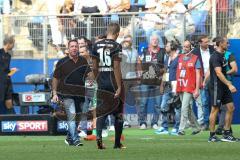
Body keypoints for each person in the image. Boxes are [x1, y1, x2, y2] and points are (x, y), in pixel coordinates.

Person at [92, 23, 126, 149]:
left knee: (102, 112)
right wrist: (119, 86)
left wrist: (96, 80)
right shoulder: (117, 46)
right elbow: (116, 67)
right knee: (118, 113)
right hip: (113, 82)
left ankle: (99, 139)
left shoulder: (96, 45)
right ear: (117, 33)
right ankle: (117, 143)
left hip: (101, 82)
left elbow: (94, 67)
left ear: (107, 31)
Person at [52, 39, 90, 146]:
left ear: (78, 48)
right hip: (67, 95)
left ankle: (69, 138)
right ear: (68, 49)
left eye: (76, 46)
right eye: (72, 46)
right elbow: (55, 78)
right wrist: (54, 93)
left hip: (80, 94)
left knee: (77, 117)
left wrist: (93, 81)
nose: (74, 48)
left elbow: (89, 75)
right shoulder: (62, 62)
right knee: (72, 116)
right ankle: (75, 139)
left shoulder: (83, 61)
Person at [207, 37, 238, 142]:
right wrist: (229, 85)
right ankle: (212, 135)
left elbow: (226, 72)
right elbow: (219, 73)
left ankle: (226, 133)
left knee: (231, 107)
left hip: (224, 86)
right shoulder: (215, 57)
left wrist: (227, 85)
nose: (228, 44)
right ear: (220, 43)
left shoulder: (223, 56)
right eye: (226, 43)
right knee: (215, 109)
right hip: (216, 86)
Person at [137, 34, 165, 130]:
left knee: (157, 104)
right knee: (143, 103)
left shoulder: (162, 51)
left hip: (157, 81)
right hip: (145, 81)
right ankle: (142, 122)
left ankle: (154, 123)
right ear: (150, 41)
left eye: (156, 40)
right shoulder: (144, 51)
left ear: (158, 41)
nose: (155, 41)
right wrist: (139, 71)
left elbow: (165, 66)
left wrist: (161, 72)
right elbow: (139, 61)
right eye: (153, 39)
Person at [155, 41, 181, 135]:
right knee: (163, 106)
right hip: (168, 85)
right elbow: (166, 72)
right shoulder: (167, 58)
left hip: (176, 84)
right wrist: (162, 84)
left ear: (172, 47)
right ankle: (164, 127)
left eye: (167, 46)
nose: (165, 47)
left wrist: (179, 85)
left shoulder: (179, 58)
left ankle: (176, 128)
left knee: (177, 108)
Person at [176, 40, 201, 136]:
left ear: (191, 48)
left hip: (190, 87)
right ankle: (197, 127)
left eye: (187, 47)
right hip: (181, 86)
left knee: (184, 107)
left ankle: (181, 129)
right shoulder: (180, 57)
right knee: (188, 108)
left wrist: (197, 89)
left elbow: (198, 75)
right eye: (184, 46)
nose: (185, 48)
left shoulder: (195, 58)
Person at [192, 35, 215, 130]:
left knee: (215, 101)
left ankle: (216, 122)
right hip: (202, 78)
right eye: (205, 42)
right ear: (200, 43)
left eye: (208, 41)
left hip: (214, 77)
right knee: (204, 102)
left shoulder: (213, 49)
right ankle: (206, 123)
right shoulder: (195, 52)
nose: (207, 43)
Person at [0, 35, 16, 114]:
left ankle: (14, 121)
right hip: (1, 84)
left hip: (7, 84)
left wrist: (11, 71)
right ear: (8, 43)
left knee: (9, 103)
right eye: (13, 43)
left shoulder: (8, 56)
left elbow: (6, 72)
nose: (14, 45)